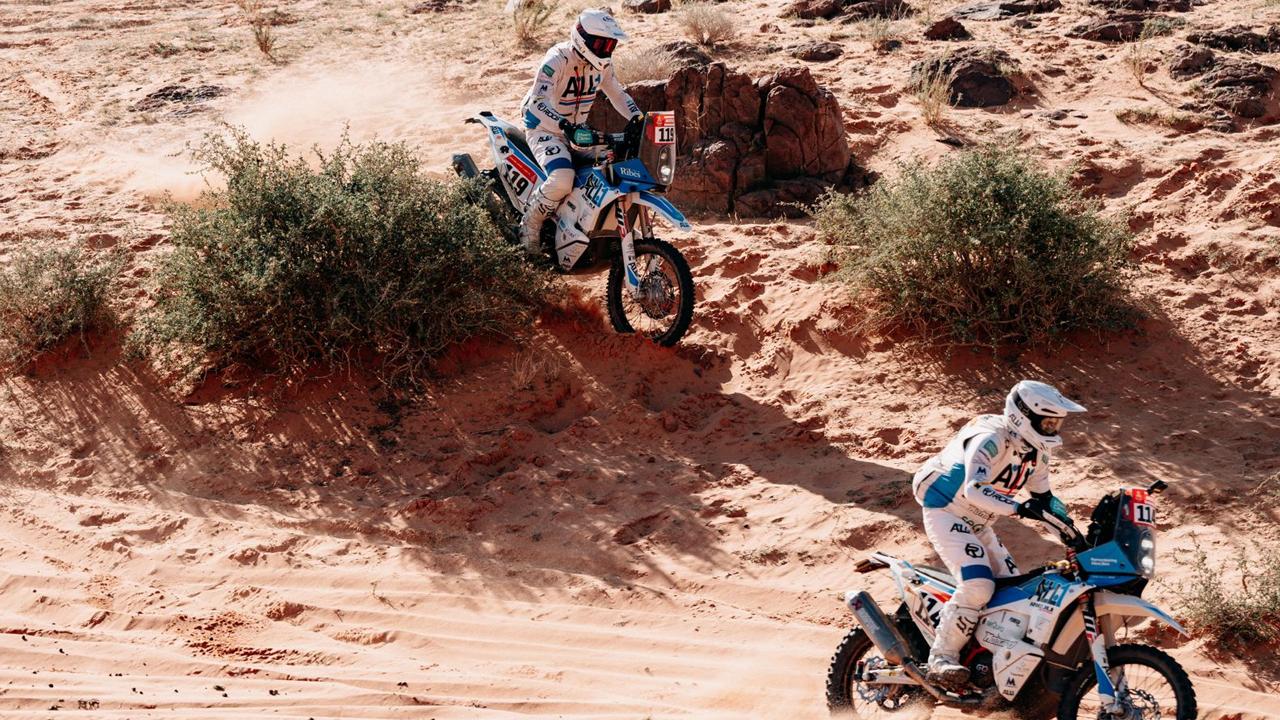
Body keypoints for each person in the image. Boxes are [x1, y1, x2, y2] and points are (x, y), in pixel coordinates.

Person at [910, 380, 1086, 689]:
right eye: (1047, 422)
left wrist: (1072, 533)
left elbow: (1045, 501)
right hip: (946, 510)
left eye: (1056, 423)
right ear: (1023, 415)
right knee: (978, 585)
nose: (1052, 428)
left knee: (1014, 593)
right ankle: (941, 658)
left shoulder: (1037, 453)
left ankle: (985, 663)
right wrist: (1020, 508)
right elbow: (974, 489)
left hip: (978, 522)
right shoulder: (990, 438)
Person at [517, 8, 643, 257]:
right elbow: (536, 103)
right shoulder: (557, 59)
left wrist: (639, 118)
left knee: (617, 165)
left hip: (578, 132)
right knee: (562, 178)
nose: (606, 50)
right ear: (583, 38)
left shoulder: (602, 66)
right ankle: (529, 226)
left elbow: (617, 94)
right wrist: (564, 126)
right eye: (601, 44)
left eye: (611, 45)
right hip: (545, 129)